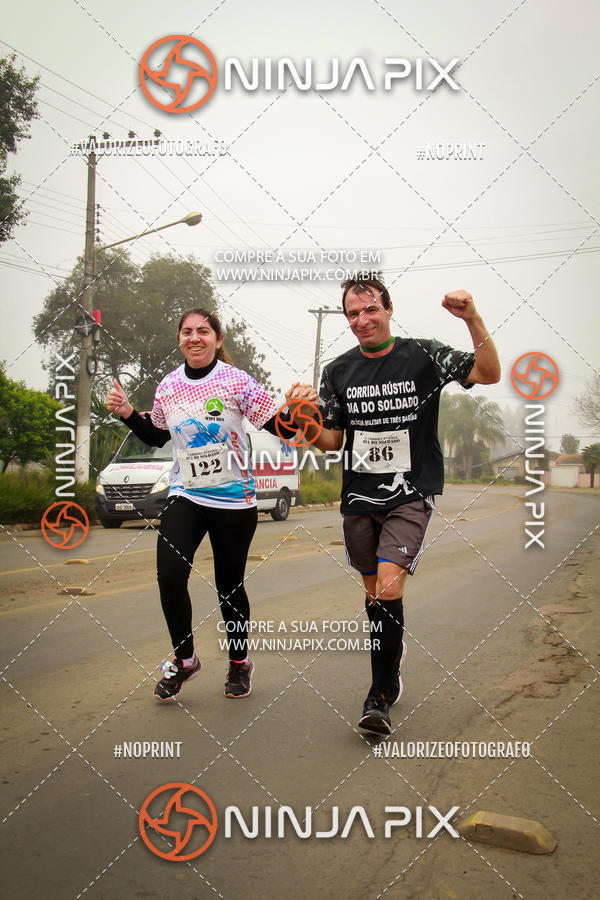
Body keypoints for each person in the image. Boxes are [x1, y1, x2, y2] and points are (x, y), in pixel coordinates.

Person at [286, 277, 500, 735]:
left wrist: (472, 319)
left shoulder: (423, 354)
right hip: (359, 497)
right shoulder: (339, 370)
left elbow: (487, 373)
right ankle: (392, 662)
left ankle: (378, 695)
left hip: (410, 492)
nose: (361, 320)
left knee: (387, 587)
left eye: (370, 309)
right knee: (374, 597)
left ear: (387, 309)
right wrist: (303, 421)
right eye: (352, 314)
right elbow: (331, 441)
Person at [106, 307, 295, 702]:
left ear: (217, 339)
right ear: (180, 338)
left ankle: (240, 663)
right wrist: (127, 413)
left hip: (234, 500)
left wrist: (298, 408)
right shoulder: (169, 385)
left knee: (229, 586)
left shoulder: (236, 381)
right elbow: (157, 434)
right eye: (187, 331)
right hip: (186, 494)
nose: (194, 337)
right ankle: (186, 658)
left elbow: (279, 425)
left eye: (203, 331)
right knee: (170, 575)